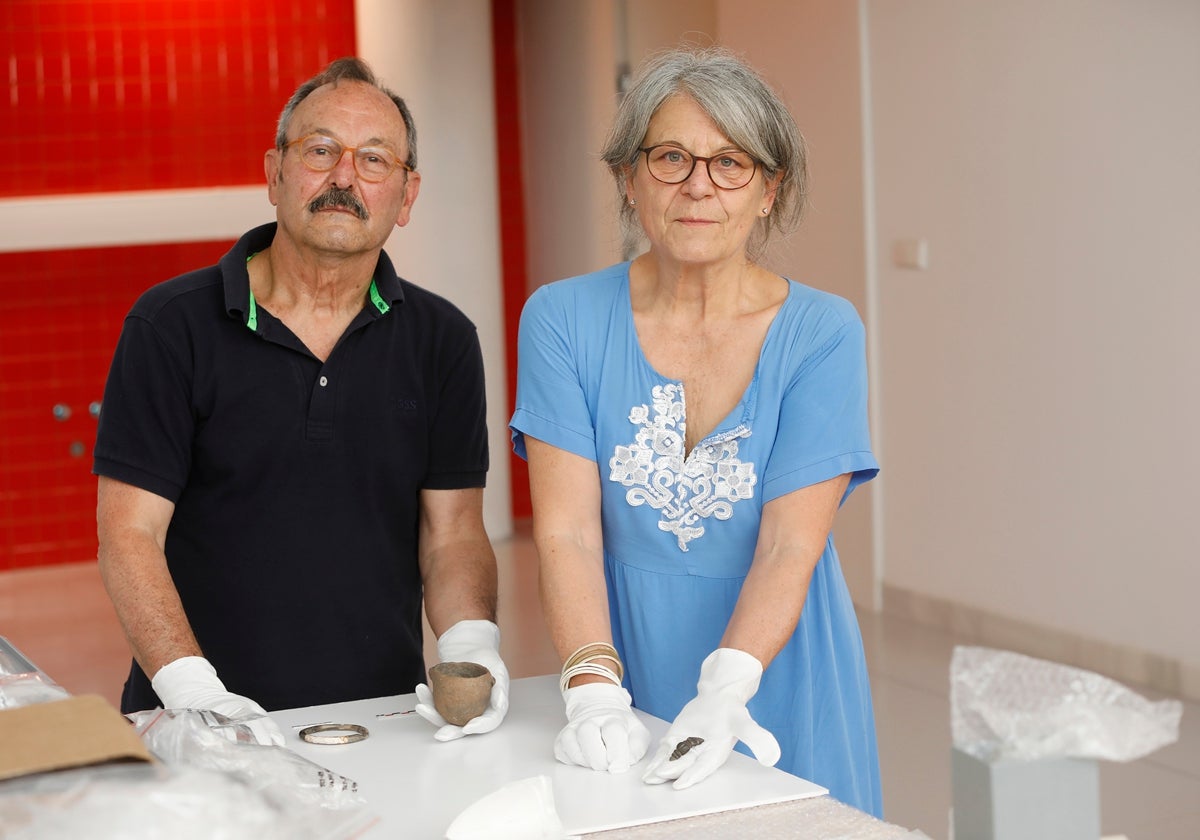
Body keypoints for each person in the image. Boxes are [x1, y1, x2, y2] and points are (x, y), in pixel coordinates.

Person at [509, 47, 881, 815]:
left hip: (775, 662)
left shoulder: (822, 332)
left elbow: (789, 544)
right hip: (623, 659)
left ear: (770, 189)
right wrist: (591, 689)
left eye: (731, 162)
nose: (699, 186)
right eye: (671, 157)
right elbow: (569, 532)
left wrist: (727, 690)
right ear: (628, 178)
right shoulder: (561, 319)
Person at [94, 57, 508, 746]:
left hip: (383, 721)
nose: (344, 177)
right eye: (320, 151)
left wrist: (472, 647)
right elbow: (130, 534)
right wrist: (193, 692)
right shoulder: (170, 326)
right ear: (274, 172)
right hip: (187, 719)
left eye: (374, 160)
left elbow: (455, 532)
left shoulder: (444, 340)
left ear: (407, 196)